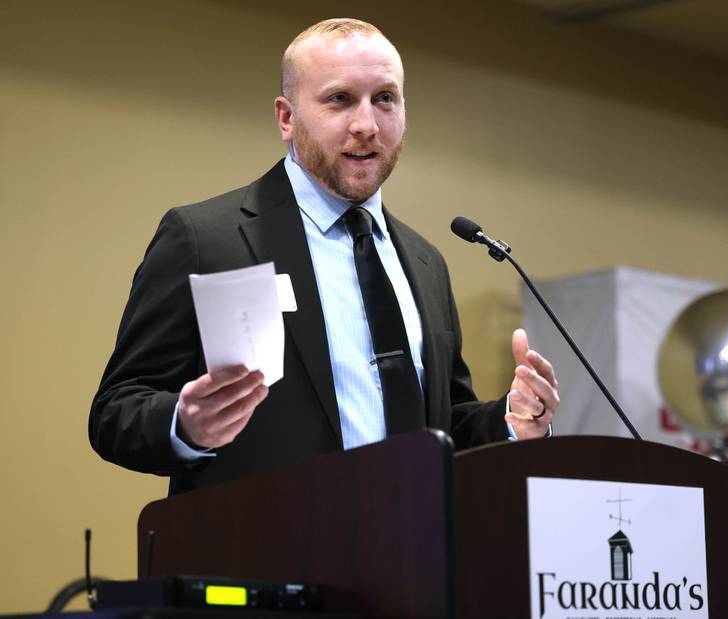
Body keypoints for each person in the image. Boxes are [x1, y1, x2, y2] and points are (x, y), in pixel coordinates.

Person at [89, 18, 559, 495]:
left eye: (385, 99)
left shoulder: (425, 262)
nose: (366, 125)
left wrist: (509, 419)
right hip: (264, 555)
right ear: (286, 118)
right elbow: (116, 413)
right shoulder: (206, 239)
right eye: (339, 99)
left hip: (412, 555)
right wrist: (185, 423)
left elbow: (441, 426)